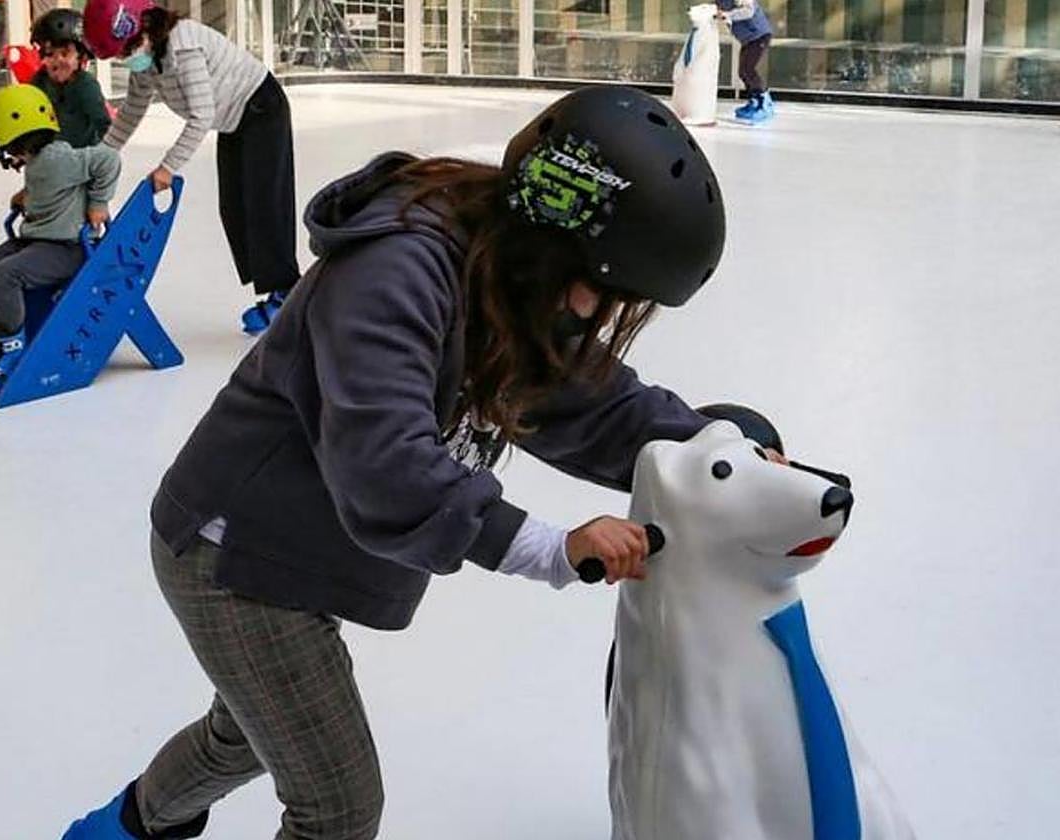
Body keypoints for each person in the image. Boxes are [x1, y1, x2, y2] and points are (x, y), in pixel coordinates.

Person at [60, 86, 734, 839]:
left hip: (297, 546)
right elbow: (384, 462)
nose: (594, 313)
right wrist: (550, 548)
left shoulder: (502, 268)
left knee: (246, 733)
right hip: (234, 555)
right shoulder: (395, 268)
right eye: (603, 292)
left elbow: (579, 395)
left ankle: (119, 829)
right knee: (337, 808)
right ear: (559, 243)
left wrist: (711, 443)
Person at [82, 0, 299, 335]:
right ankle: (276, 288)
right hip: (235, 120)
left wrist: (167, 167)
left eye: (127, 49)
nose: (128, 58)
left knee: (264, 203)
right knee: (234, 207)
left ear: (144, 25)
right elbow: (132, 110)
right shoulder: (147, 56)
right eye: (120, 55)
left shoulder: (183, 47)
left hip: (260, 108)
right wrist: (101, 156)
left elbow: (202, 115)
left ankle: (286, 294)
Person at [0, 85, 120, 402]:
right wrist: (27, 195)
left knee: (6, 273)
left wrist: (98, 203)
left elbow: (108, 160)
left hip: (67, 249)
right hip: (37, 240)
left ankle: (11, 351)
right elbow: (50, 187)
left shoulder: (59, 159)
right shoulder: (39, 160)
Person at [28, 8, 111, 149]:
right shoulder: (38, 83)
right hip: (49, 158)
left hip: (83, 158)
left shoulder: (85, 85)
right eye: (49, 54)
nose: (57, 60)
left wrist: (105, 155)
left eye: (65, 53)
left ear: (82, 57)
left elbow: (104, 124)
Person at [716, 0, 774, 123]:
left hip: (759, 35)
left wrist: (728, 15)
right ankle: (754, 101)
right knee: (743, 72)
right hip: (748, 39)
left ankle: (765, 104)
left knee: (748, 69)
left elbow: (749, 11)